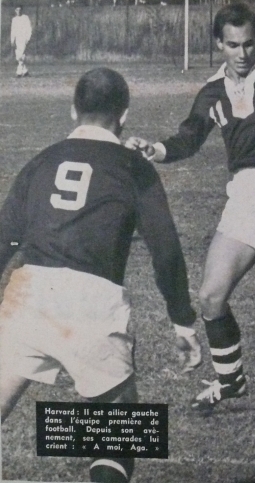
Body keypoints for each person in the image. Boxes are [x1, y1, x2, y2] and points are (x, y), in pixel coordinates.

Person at [126, 2, 255, 418]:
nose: (243, 53)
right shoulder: (212, 92)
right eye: (234, 45)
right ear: (219, 45)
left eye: (249, 44)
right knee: (210, 297)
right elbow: (189, 138)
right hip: (246, 193)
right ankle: (230, 381)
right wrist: (156, 150)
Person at [0, 67, 201, 483]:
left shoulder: (42, 160)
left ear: (73, 110)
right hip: (91, 301)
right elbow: (165, 250)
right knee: (118, 432)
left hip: (29, 294)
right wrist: (182, 321)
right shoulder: (133, 166)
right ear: (123, 115)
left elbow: (3, 240)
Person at [10, 6, 32, 78]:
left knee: (21, 55)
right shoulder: (14, 19)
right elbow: (13, 30)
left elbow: (29, 29)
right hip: (17, 39)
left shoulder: (25, 18)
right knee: (18, 55)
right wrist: (12, 40)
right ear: (15, 11)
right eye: (17, 10)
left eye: (19, 10)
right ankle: (25, 71)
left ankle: (19, 72)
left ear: (22, 10)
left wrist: (28, 38)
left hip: (23, 39)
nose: (18, 11)